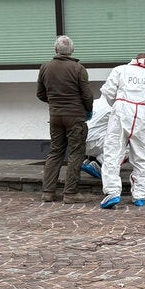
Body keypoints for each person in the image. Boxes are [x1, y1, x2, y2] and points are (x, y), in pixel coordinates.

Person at [98, 53, 145, 208]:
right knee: (142, 158)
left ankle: (112, 192)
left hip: (121, 111)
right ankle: (139, 195)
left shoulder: (120, 70)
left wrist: (117, 104)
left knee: (112, 153)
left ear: (135, 60)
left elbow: (108, 92)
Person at [36, 35, 93, 204]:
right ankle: (70, 193)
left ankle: (48, 192)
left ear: (55, 49)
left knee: (55, 152)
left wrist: (54, 102)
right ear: (72, 50)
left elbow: (40, 93)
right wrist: (88, 110)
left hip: (55, 116)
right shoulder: (79, 68)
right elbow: (87, 95)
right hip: (75, 116)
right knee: (76, 152)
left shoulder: (45, 67)